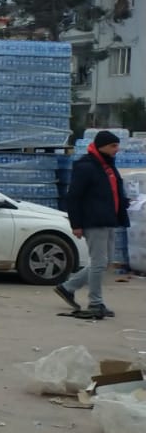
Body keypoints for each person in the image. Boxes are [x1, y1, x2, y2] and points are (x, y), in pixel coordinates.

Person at [54, 131, 129, 319]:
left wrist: (124, 203)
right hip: (93, 221)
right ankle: (95, 303)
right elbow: (73, 197)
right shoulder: (86, 167)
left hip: (109, 219)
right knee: (98, 262)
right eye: (113, 146)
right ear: (102, 146)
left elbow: (111, 192)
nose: (117, 149)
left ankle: (68, 287)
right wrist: (76, 224)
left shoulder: (107, 166)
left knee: (105, 262)